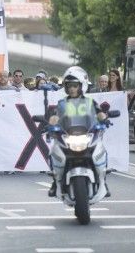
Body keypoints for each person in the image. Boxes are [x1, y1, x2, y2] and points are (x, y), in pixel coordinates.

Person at [47, 66, 109, 197]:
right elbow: (55, 116)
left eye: (74, 86)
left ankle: (103, 180)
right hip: (68, 135)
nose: (71, 89)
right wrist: (51, 123)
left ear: (81, 86)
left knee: (101, 149)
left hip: (87, 134)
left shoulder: (90, 102)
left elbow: (99, 114)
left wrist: (104, 119)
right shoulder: (62, 103)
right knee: (53, 151)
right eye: (69, 86)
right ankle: (55, 181)